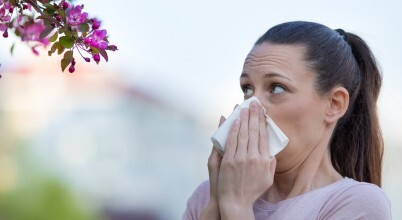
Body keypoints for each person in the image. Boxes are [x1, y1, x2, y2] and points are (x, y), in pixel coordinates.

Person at [183, 21, 391, 220]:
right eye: (247, 89)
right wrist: (216, 204)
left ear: (334, 104)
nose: (252, 106)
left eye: (277, 88)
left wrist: (237, 207)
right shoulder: (206, 196)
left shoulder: (356, 203)